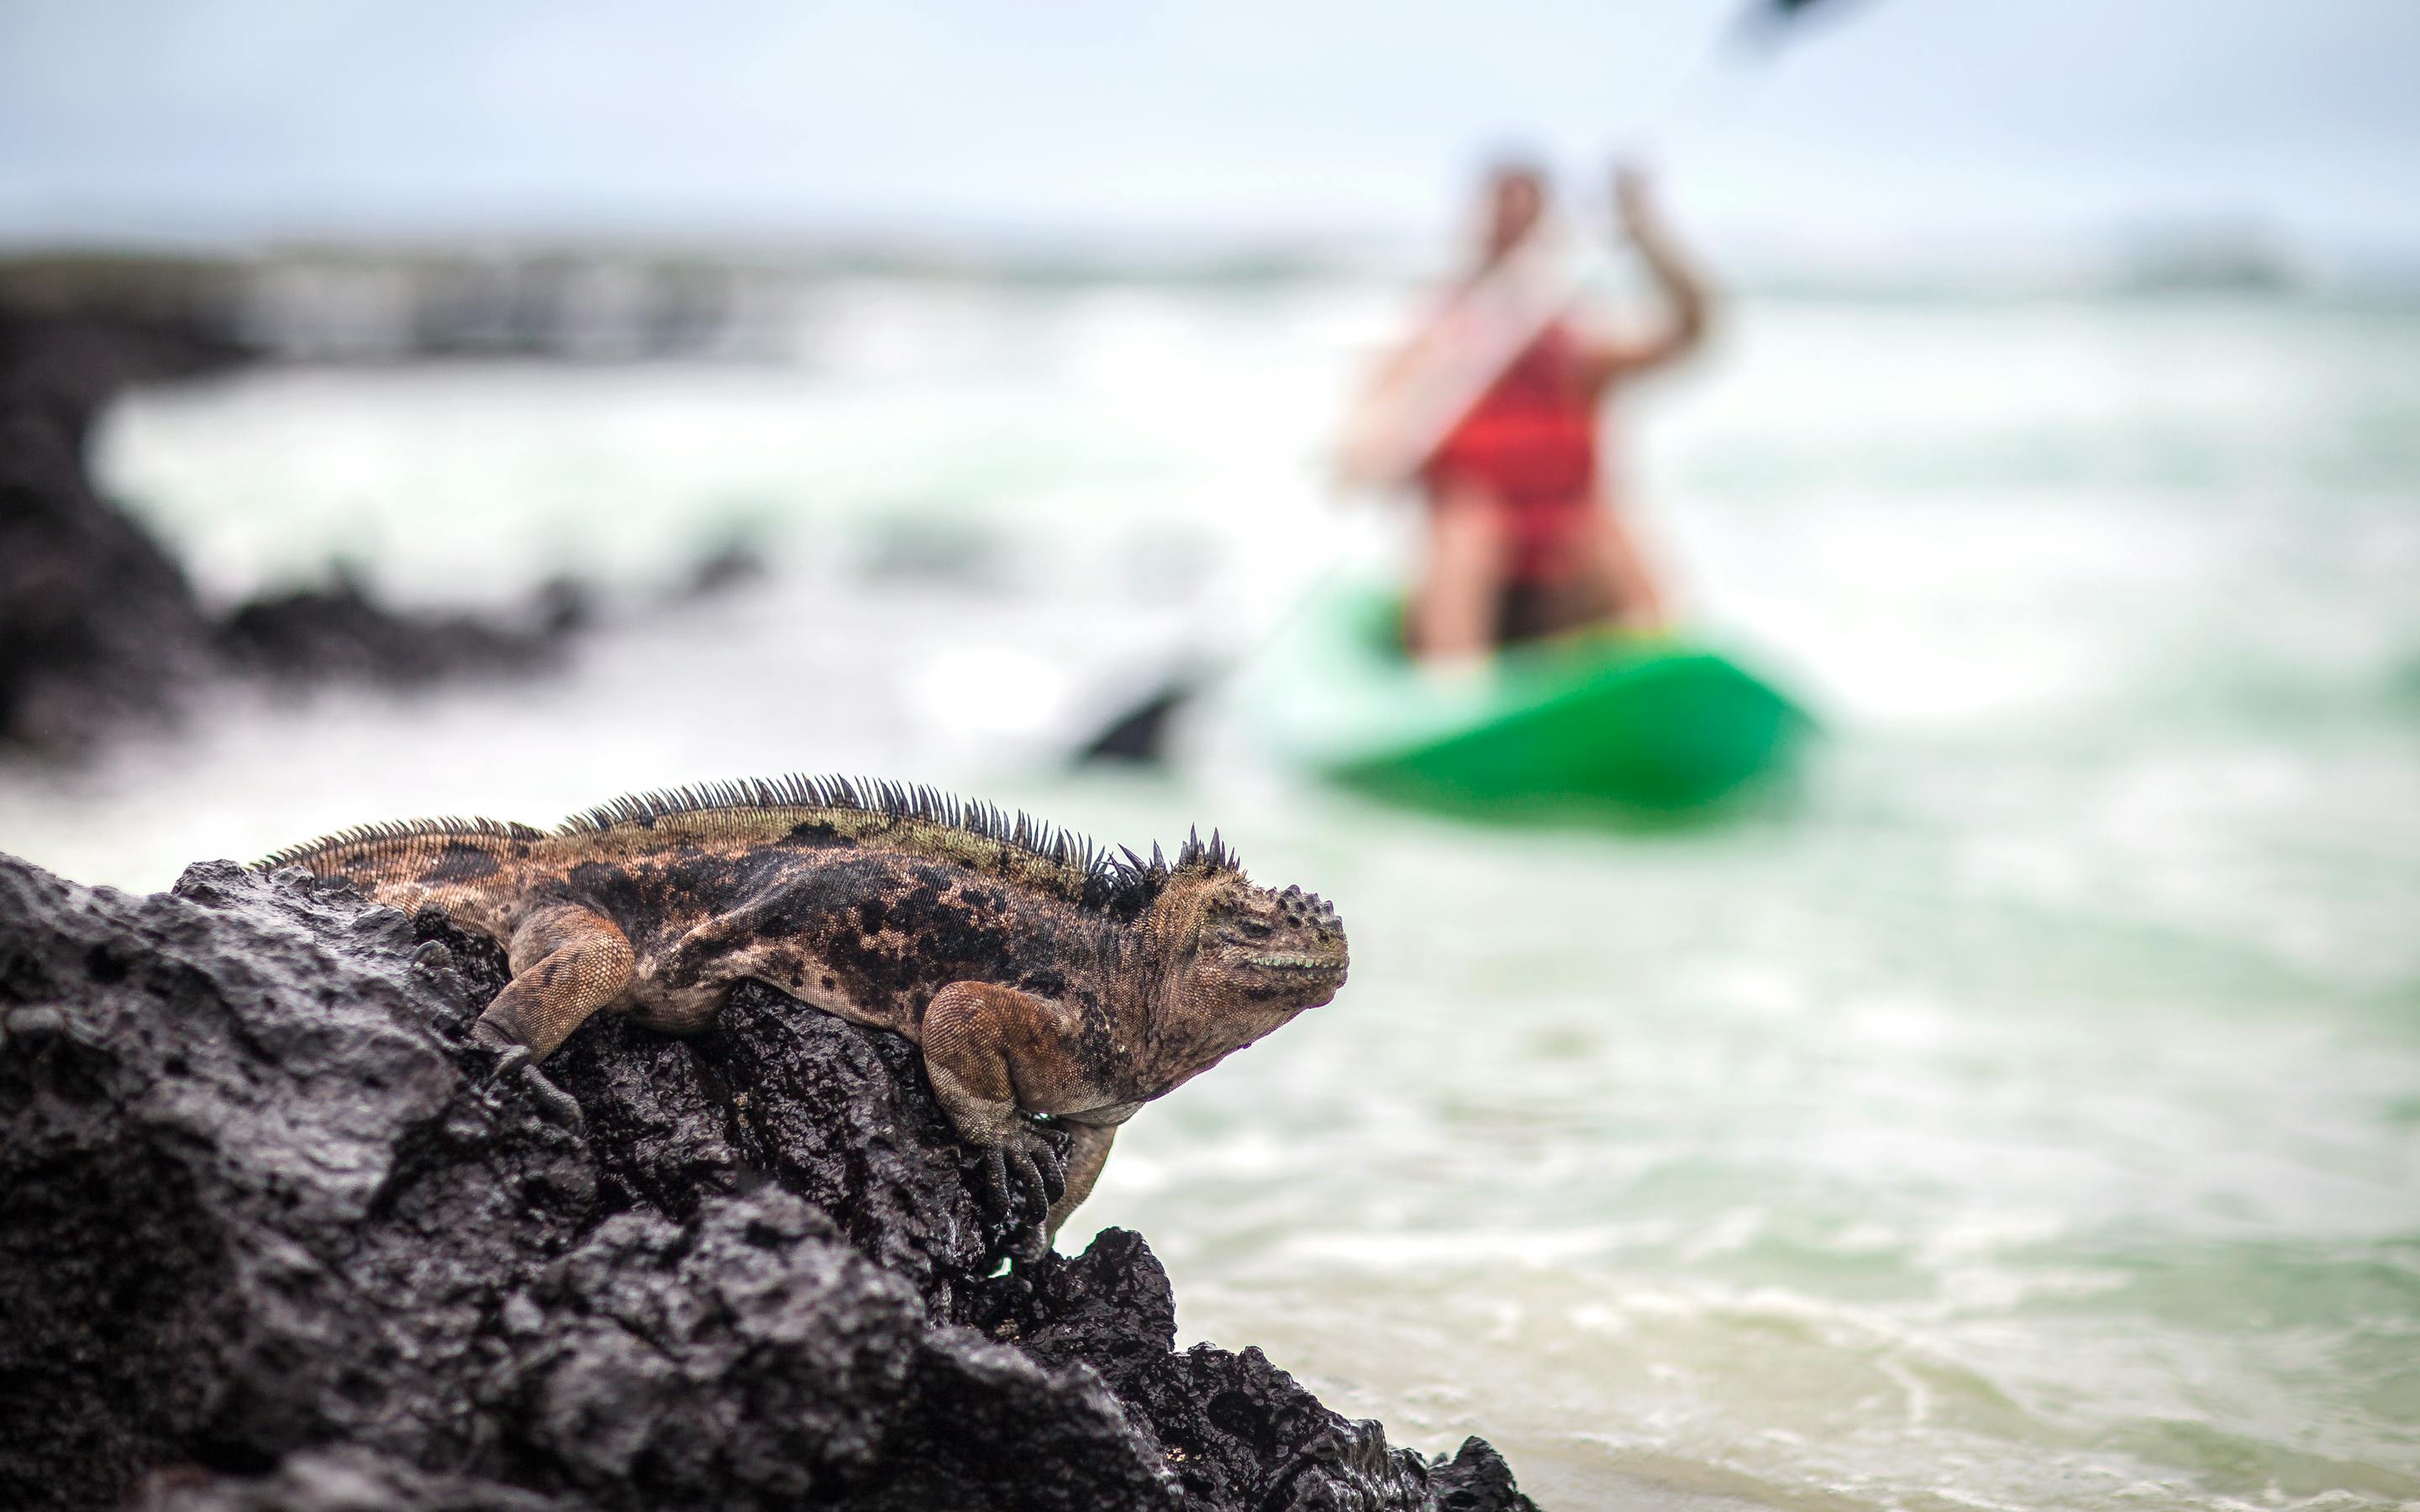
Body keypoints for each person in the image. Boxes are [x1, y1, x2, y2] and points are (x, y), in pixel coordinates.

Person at [1380, 160, 1713, 664]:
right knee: (1468, 529)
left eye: (1526, 225)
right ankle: (1456, 697)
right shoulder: (1436, 345)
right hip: (1475, 577)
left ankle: (1663, 670)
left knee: (1605, 531)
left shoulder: (1575, 354)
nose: (1513, 239)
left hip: (1565, 580)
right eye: (1502, 222)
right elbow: (1367, 449)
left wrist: (1648, 237)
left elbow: (1690, 335)